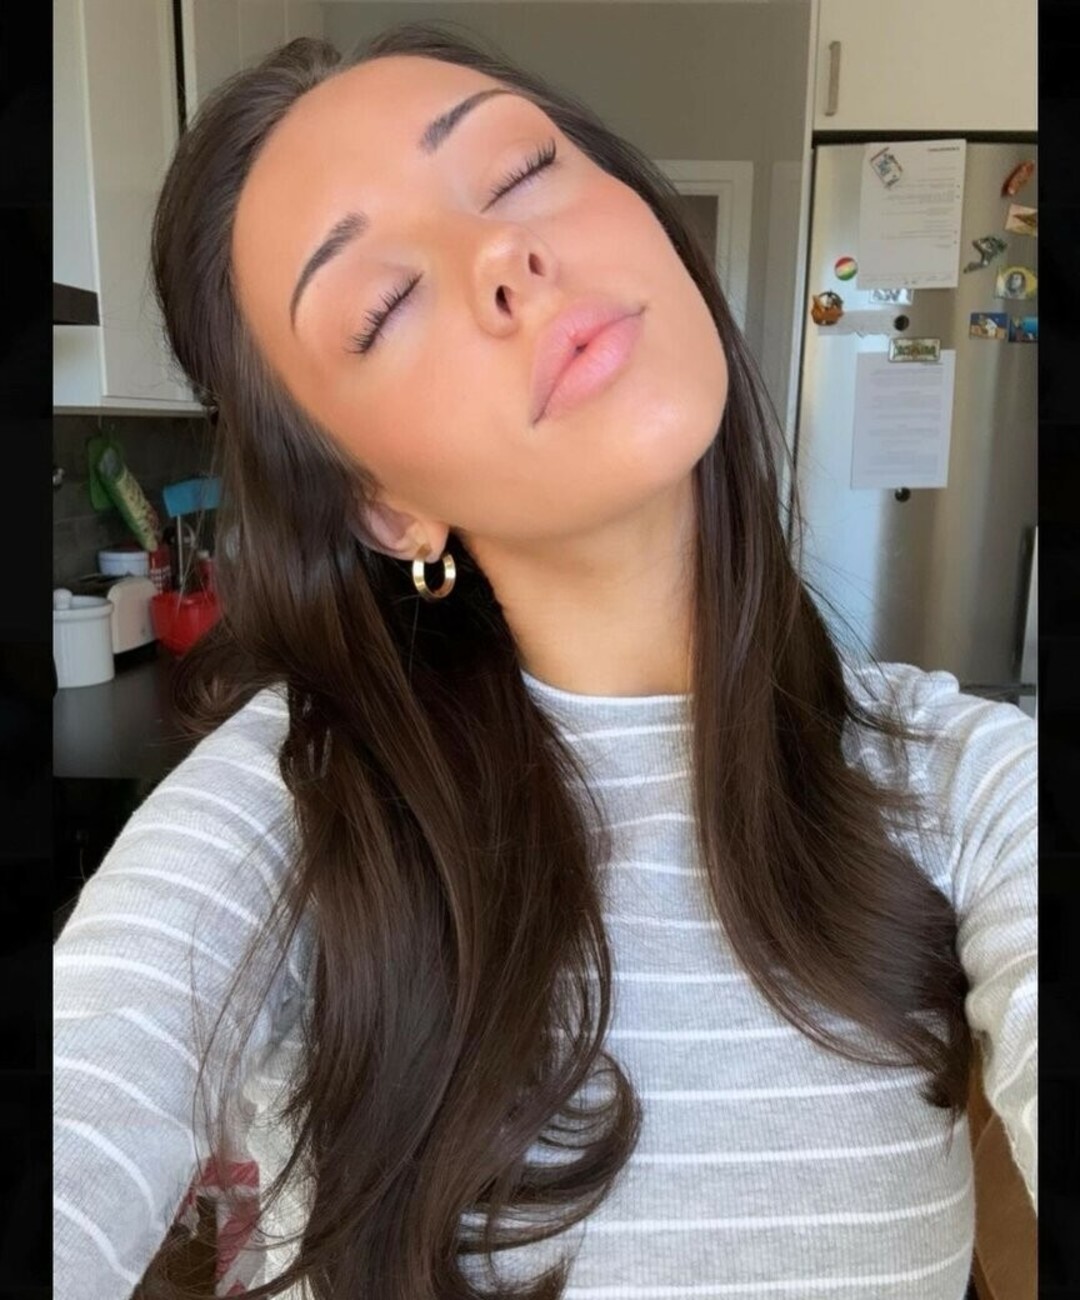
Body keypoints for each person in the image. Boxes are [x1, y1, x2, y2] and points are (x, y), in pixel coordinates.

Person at [54, 23, 1037, 1300]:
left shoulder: (968, 783)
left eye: (519, 170)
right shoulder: (297, 806)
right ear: (383, 505)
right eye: (384, 304)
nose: (502, 257)